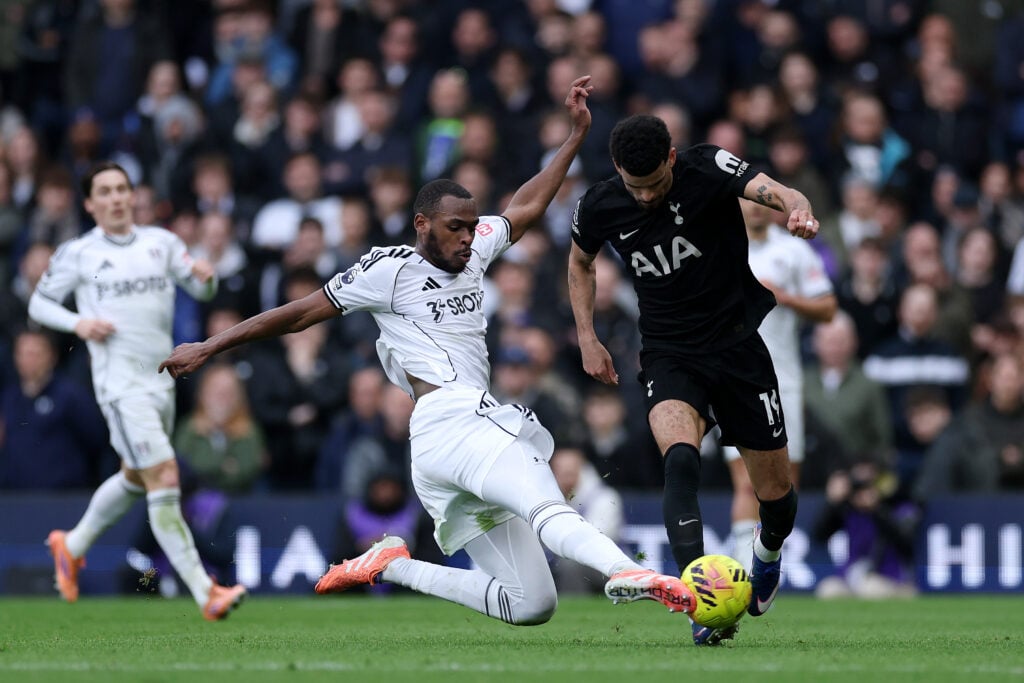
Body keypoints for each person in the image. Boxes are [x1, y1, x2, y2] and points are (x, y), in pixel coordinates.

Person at [160, 77, 696, 629]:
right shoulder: (388, 269)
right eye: (455, 228)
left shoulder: (477, 249)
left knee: (531, 603)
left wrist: (575, 136)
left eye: (471, 227)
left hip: (444, 444)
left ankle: (393, 566)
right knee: (547, 508)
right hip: (454, 419)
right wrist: (211, 344)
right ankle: (630, 573)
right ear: (422, 225)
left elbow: (528, 205)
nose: (468, 238)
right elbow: (297, 312)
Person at [567, 114, 821, 645]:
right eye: (636, 187)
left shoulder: (707, 166)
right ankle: (698, 606)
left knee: (775, 494)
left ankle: (767, 554)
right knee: (679, 461)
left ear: (673, 158)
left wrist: (798, 207)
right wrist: (588, 336)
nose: (646, 196)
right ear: (618, 169)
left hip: (737, 347)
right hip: (669, 353)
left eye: (657, 183)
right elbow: (580, 263)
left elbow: (774, 189)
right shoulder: (600, 204)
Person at [27, 161, 246, 620]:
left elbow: (200, 287)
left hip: (161, 383)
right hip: (119, 387)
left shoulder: (161, 243)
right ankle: (205, 590)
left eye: (121, 189)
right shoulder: (79, 253)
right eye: (104, 192)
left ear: (132, 195)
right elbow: (39, 302)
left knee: (135, 476)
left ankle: (73, 544)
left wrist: (207, 278)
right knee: (165, 475)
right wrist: (79, 322)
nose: (115, 198)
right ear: (89, 204)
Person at [722, 199, 837, 571]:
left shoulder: (793, 251)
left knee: (783, 487)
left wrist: (783, 297)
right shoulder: (720, 245)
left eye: (760, 203)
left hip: (782, 379)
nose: (755, 210)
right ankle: (743, 566)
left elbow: (829, 309)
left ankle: (766, 559)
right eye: (746, 203)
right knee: (744, 481)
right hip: (732, 378)